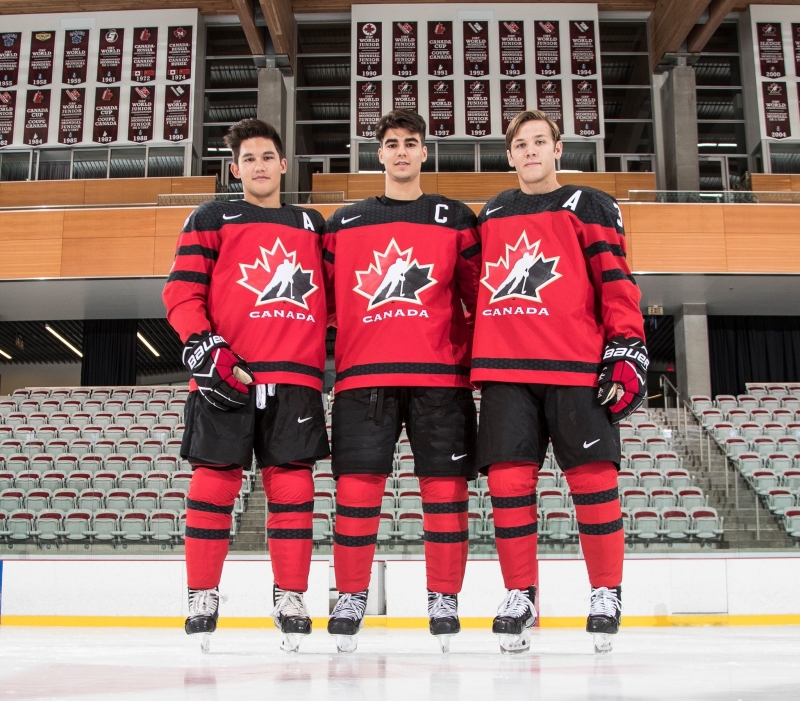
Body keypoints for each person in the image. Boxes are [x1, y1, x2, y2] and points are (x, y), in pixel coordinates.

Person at [471, 110, 647, 655]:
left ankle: (604, 593)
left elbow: (616, 280)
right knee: (506, 485)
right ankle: (520, 593)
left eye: (539, 142)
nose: (529, 151)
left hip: (574, 364)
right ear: (509, 155)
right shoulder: (494, 209)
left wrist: (626, 342)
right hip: (505, 368)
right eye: (520, 144)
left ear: (558, 148)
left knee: (593, 481)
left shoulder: (590, 203)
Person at [163, 118, 329, 653]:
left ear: (285, 164)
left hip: (294, 377)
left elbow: (336, 299)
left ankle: (290, 596)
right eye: (248, 159)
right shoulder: (211, 216)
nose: (259, 166)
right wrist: (202, 345)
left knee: (294, 489)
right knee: (212, 485)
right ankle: (202, 595)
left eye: (267, 157)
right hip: (225, 373)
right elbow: (182, 291)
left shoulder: (312, 223)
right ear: (235, 169)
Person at [323, 109, 482, 653]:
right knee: (355, 493)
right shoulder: (344, 222)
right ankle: (350, 595)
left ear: (423, 152)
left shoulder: (456, 217)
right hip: (363, 377)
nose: (401, 152)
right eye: (392, 143)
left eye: (411, 143)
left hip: (442, 377)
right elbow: (316, 303)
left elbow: (480, 298)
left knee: (444, 493)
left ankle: (444, 597)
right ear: (379, 154)